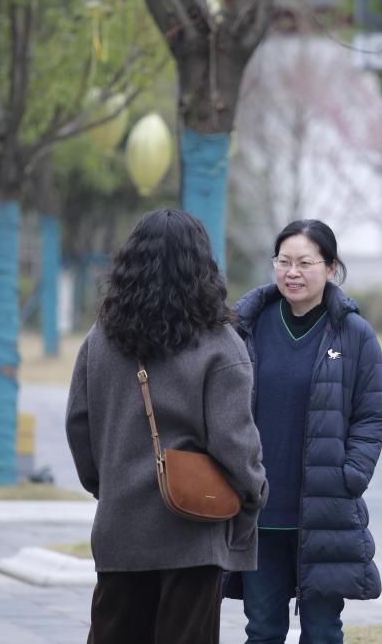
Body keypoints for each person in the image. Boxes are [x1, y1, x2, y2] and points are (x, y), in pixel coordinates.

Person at [66, 208, 268, 644]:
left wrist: (110, 486)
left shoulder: (100, 339)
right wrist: (254, 495)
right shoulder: (220, 345)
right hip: (193, 532)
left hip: (119, 529)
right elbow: (236, 444)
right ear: (201, 266)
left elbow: (78, 425)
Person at [229, 219, 382, 643]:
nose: (292, 272)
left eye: (305, 263)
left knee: (322, 631)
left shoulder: (354, 334)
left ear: (331, 267)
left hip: (323, 509)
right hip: (259, 509)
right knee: (262, 629)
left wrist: (350, 475)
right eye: (284, 262)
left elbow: (371, 415)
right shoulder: (247, 327)